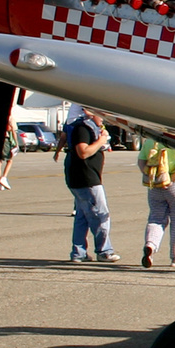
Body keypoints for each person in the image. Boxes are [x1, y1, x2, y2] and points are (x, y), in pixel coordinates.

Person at [64, 107, 119, 262]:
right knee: (100, 215)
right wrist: (100, 141)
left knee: (82, 217)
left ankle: (78, 252)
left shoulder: (91, 128)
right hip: (86, 179)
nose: (103, 118)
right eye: (101, 115)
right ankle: (104, 251)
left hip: (82, 178)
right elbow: (83, 152)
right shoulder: (83, 128)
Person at [136, 137, 175, 268]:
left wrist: (152, 177)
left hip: (155, 184)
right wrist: (171, 180)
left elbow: (141, 162)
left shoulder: (150, 142)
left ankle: (151, 244)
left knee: (156, 218)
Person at [0, 120, 18, 190]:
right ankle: (3, 177)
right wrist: (16, 143)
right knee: (9, 160)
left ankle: (0, 182)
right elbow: (11, 130)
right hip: (5, 140)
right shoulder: (10, 118)